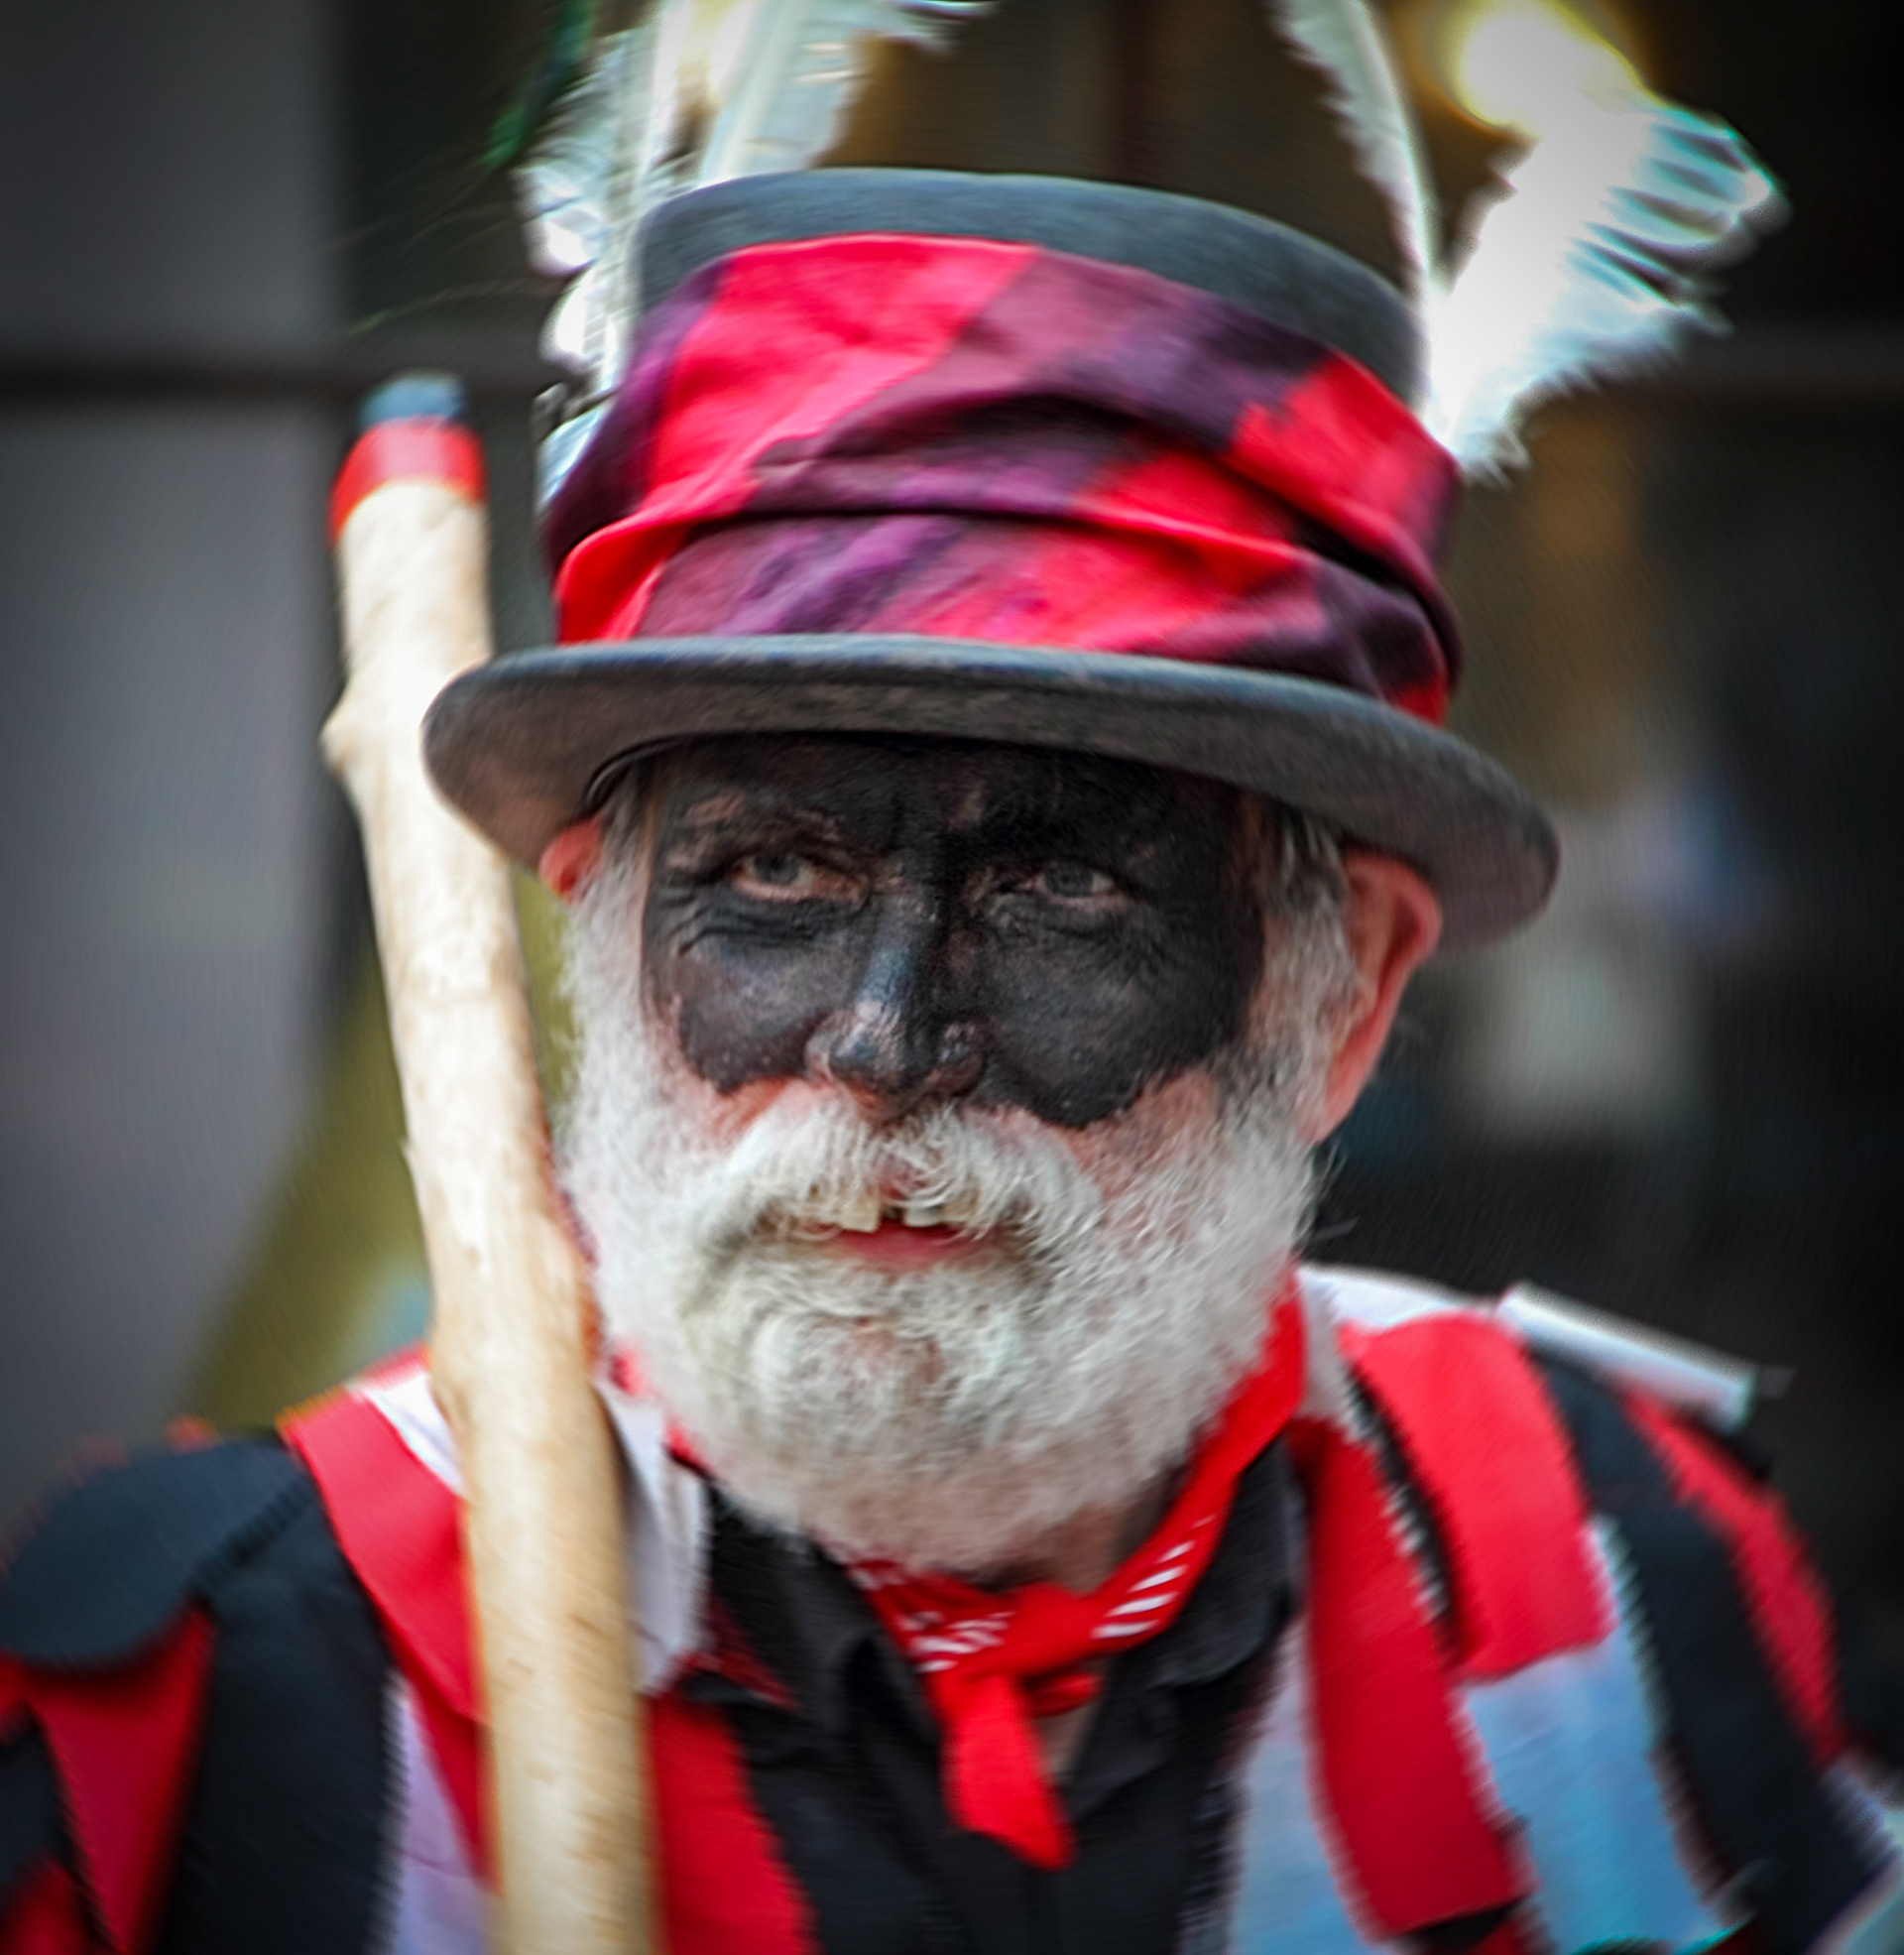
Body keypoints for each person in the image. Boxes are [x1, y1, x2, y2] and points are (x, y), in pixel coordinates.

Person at [2, 124, 1900, 1955]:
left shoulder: (1612, 1569)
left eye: (1067, 893)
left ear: (1349, 996)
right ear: (595, 928)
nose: (885, 1043)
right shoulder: (217, 1698)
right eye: (770, 872)